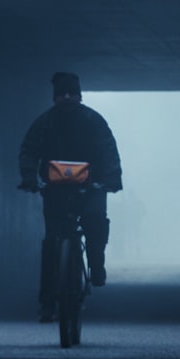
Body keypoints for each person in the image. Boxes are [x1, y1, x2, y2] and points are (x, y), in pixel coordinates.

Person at [18, 72, 123, 322]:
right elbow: (29, 151)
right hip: (56, 191)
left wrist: (111, 180)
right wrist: (30, 178)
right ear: (55, 97)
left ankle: (96, 266)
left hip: (91, 188)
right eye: (61, 94)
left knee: (95, 224)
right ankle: (47, 303)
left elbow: (109, 150)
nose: (66, 98)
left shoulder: (93, 121)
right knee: (52, 244)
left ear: (79, 95)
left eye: (71, 93)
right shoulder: (44, 123)